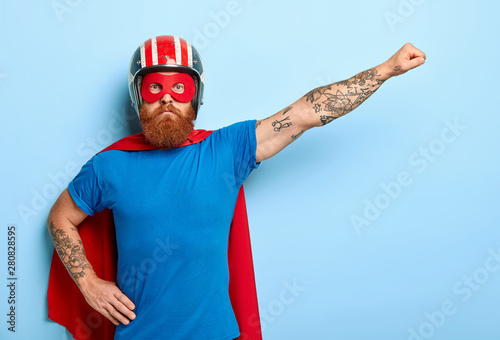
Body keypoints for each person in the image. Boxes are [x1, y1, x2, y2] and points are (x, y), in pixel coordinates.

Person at [47, 35, 426, 340]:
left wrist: (386, 70)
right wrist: (89, 283)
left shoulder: (226, 150)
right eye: (154, 87)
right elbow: (61, 218)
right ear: (137, 96)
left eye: (180, 87)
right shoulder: (110, 166)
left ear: (195, 96)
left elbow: (306, 113)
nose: (167, 97)